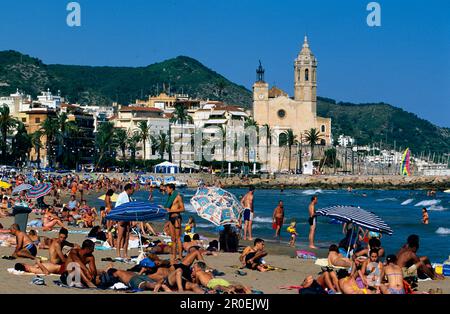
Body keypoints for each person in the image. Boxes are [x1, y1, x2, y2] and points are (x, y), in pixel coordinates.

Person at [163, 183, 185, 263]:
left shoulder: (178, 197)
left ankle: (180, 256)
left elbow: (182, 209)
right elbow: (168, 208)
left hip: (176, 218)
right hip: (170, 218)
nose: (166, 190)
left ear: (171, 189)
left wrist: (171, 210)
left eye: (167, 189)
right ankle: (174, 255)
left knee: (178, 238)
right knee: (172, 238)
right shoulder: (170, 197)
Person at [107, 268, 171, 292]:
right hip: (139, 276)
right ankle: (162, 285)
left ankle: (157, 285)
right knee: (150, 282)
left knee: (145, 284)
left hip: (133, 280)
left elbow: (113, 275)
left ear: (113, 273)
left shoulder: (116, 274)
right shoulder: (123, 270)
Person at [115, 183, 134, 259]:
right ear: (129, 189)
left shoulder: (129, 197)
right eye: (132, 189)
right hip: (122, 217)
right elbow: (117, 207)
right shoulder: (122, 195)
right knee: (120, 236)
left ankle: (125, 254)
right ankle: (118, 254)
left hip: (127, 218)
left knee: (126, 237)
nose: (133, 191)